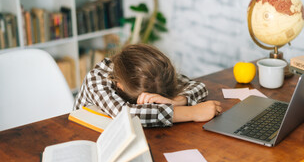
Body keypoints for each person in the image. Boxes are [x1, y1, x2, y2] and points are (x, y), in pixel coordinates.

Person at [74, 44, 222, 127]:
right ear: (120, 85)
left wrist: (176, 101)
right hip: (86, 137)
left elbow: (198, 86)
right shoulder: (96, 79)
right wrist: (192, 113)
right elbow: (126, 115)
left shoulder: (154, 73)